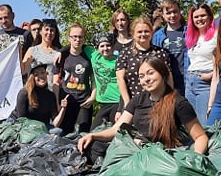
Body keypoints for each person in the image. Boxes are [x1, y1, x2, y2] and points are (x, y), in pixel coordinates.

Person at [77, 57, 208, 161]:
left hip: (164, 156)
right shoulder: (138, 100)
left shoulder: (179, 103)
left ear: (163, 74)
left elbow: (201, 137)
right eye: (141, 76)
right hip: (138, 151)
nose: (146, 79)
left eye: (150, 73)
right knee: (94, 146)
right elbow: (117, 128)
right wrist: (93, 135)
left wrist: (195, 159)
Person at [116, 17, 170, 109]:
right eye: (139, 32)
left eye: (146, 31)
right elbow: (120, 79)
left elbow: (168, 78)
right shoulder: (125, 53)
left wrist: (168, 100)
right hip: (133, 103)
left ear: (151, 33)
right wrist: (127, 103)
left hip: (158, 103)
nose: (143, 34)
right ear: (133, 34)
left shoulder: (161, 53)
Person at [55, 23, 95, 135]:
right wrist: (57, 102)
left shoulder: (90, 55)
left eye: (80, 36)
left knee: (83, 133)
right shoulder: (62, 56)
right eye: (74, 36)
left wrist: (93, 97)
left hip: (84, 101)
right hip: (67, 101)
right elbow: (56, 81)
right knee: (65, 133)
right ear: (69, 38)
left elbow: (94, 78)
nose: (77, 39)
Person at [184, 4, 217, 124]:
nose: (199, 19)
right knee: (192, 123)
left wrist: (212, 74)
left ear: (210, 17)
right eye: (196, 17)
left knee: (204, 122)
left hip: (205, 82)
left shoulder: (216, 36)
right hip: (190, 82)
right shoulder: (192, 37)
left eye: (203, 15)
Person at [151, 0, 187, 96]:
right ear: (163, 15)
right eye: (168, 13)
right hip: (167, 79)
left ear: (180, 12)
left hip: (186, 79)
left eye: (175, 12)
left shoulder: (188, 32)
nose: (172, 15)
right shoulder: (158, 35)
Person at [12, 63, 64, 129]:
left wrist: (63, 108)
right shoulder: (24, 93)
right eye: (36, 75)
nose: (41, 76)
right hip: (22, 126)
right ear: (32, 78)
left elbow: (55, 123)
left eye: (43, 72)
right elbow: (21, 120)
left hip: (41, 127)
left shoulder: (50, 95)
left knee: (58, 131)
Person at [88, 33, 120, 129]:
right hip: (103, 102)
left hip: (117, 101)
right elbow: (76, 45)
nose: (105, 48)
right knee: (94, 130)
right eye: (102, 46)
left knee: (114, 132)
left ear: (113, 47)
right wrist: (61, 52)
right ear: (97, 48)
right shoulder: (94, 56)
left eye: (108, 45)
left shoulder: (118, 61)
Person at [22, 18, 62, 91]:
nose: (49, 33)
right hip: (36, 93)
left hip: (54, 93)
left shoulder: (59, 52)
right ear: (40, 31)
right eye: (46, 29)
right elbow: (23, 71)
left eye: (52, 30)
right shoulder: (32, 50)